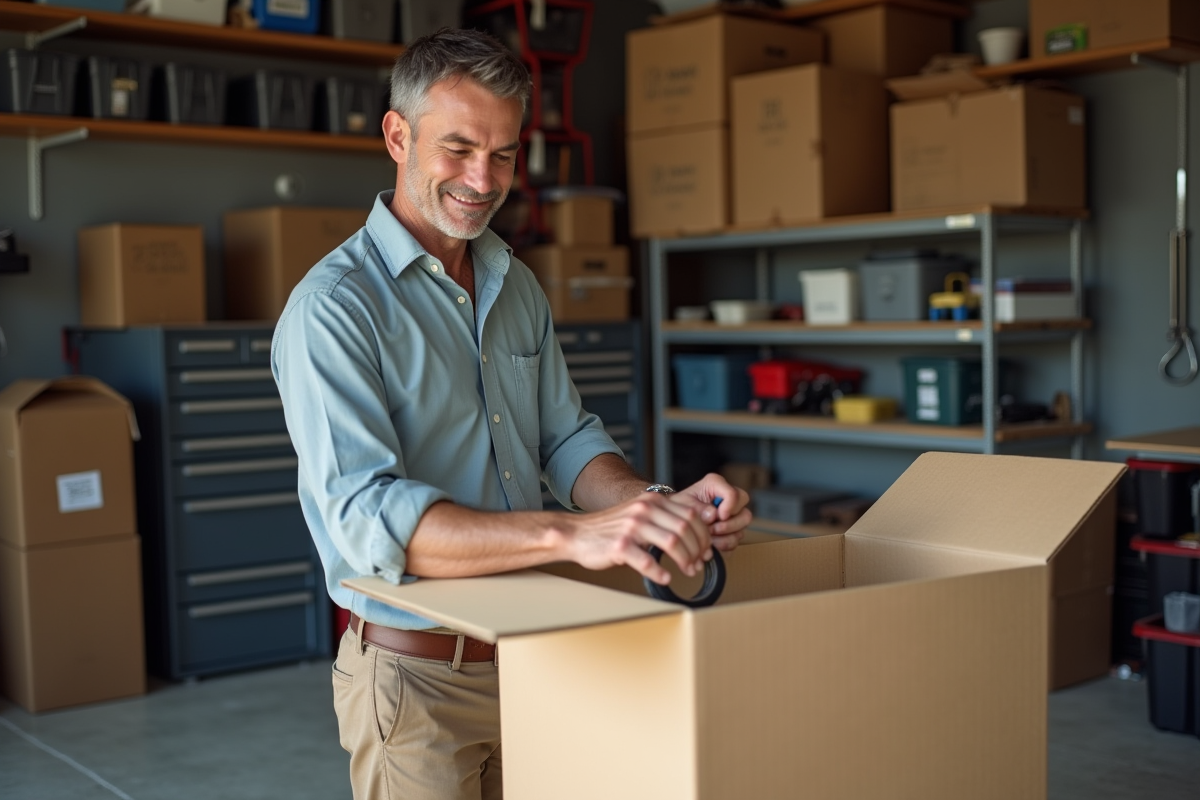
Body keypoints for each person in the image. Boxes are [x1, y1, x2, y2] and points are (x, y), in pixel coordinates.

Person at [271, 28, 752, 800]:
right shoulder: (333, 309)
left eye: (502, 154)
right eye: (457, 148)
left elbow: (565, 440)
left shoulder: (514, 283)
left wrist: (652, 508)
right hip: (418, 680)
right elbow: (367, 520)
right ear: (398, 135)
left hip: (536, 653)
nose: (481, 178)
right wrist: (573, 533)